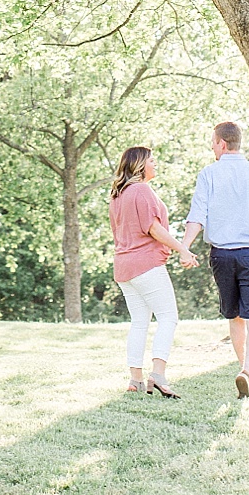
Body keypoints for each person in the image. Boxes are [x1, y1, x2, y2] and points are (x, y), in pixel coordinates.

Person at [184, 121, 249, 398]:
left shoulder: (209, 174)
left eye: (213, 143)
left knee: (235, 316)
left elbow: (197, 215)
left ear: (221, 143)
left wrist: (184, 247)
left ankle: (243, 367)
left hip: (221, 256)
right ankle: (247, 371)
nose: (212, 148)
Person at [108, 145, 198, 398]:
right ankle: (157, 375)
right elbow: (154, 228)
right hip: (145, 265)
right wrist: (183, 249)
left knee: (139, 322)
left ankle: (135, 379)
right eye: (151, 160)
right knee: (168, 317)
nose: (155, 164)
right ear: (139, 165)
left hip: (124, 267)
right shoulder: (141, 190)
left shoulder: (117, 195)